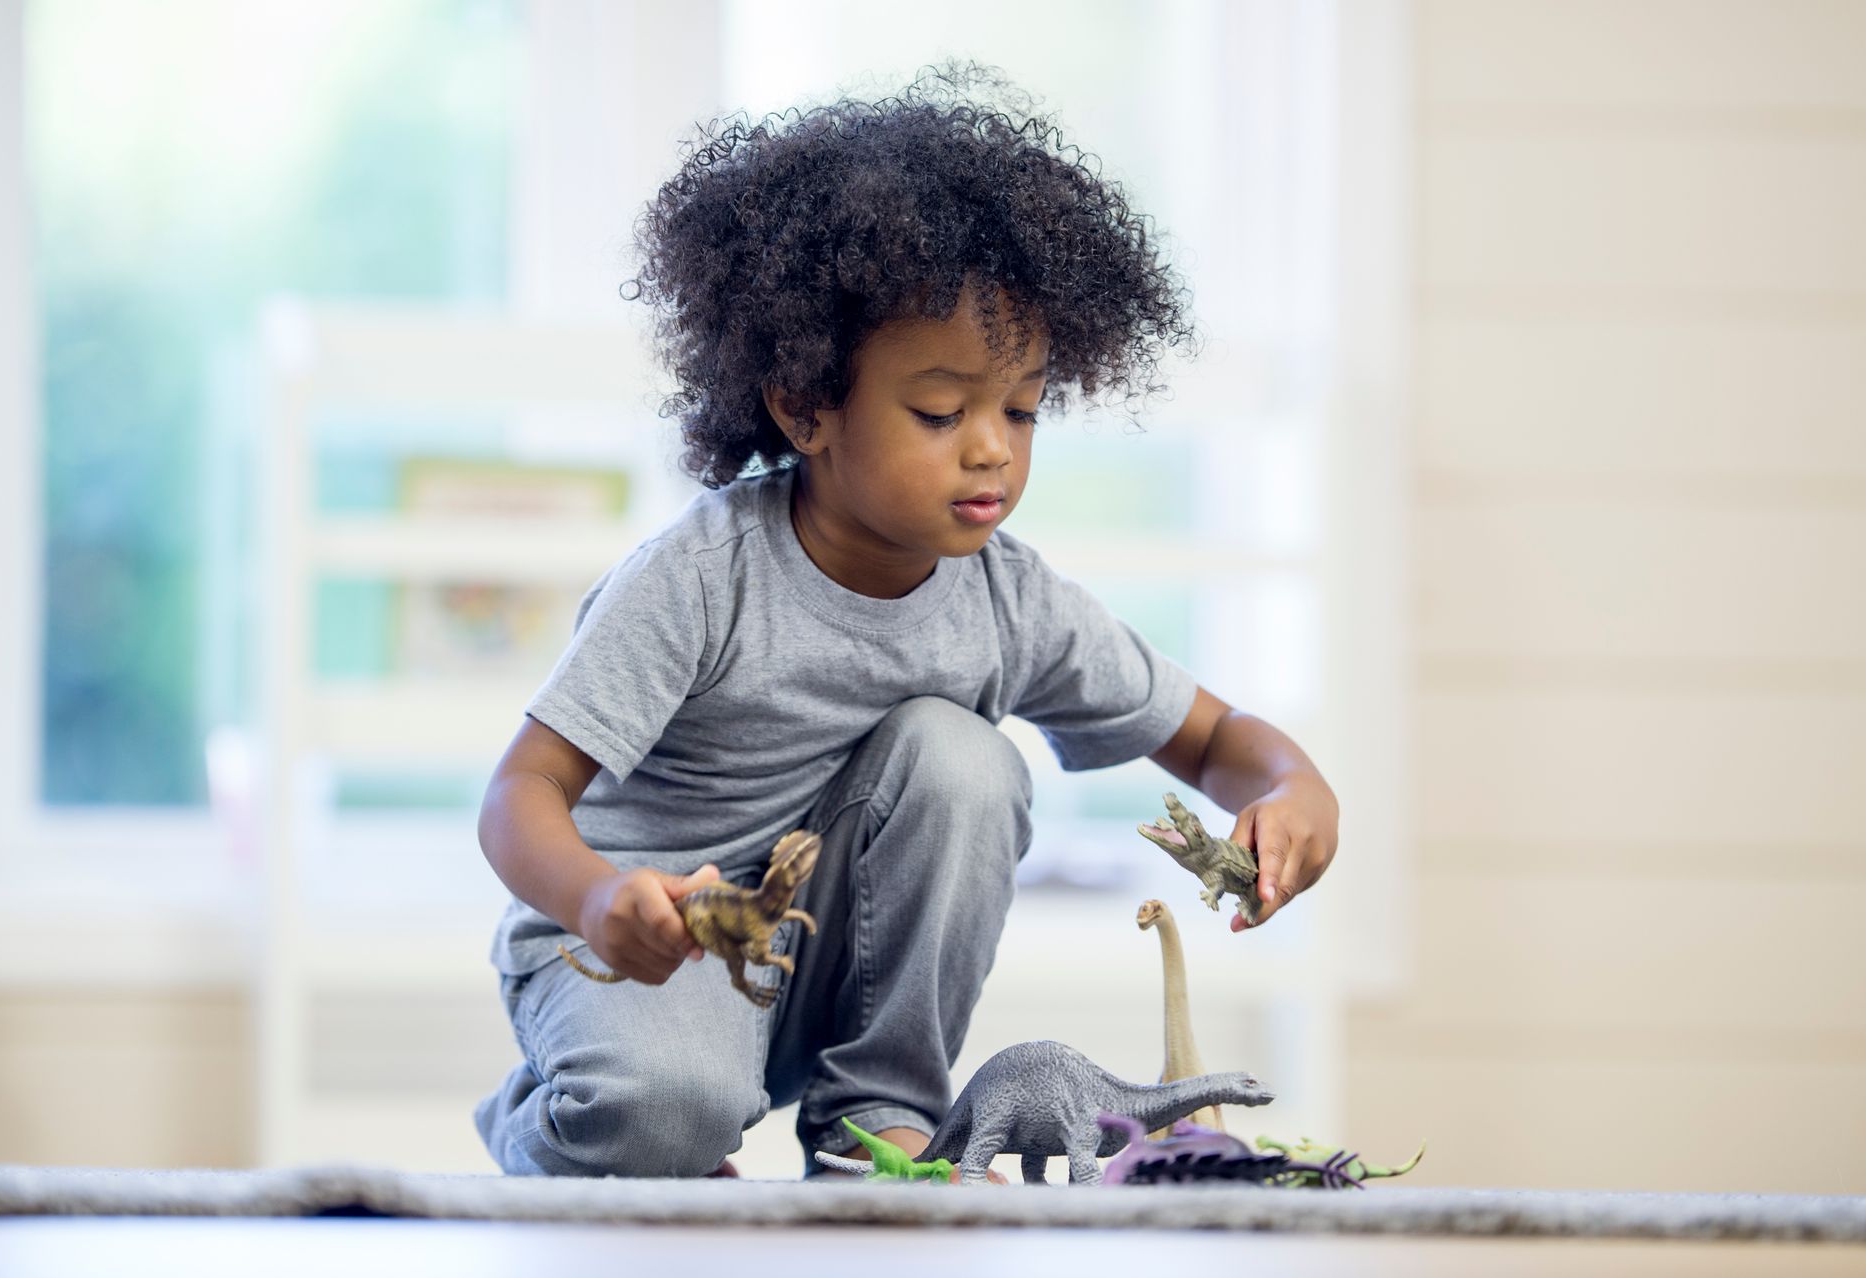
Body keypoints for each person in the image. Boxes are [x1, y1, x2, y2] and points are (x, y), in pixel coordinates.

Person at [471, 61, 1339, 1180]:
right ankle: (568, 1121)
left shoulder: (1007, 601)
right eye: (941, 411)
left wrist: (1293, 790)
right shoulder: (702, 576)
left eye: (1021, 410)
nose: (991, 448)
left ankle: (874, 1116)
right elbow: (517, 795)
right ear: (805, 402)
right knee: (659, 1115)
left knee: (964, 758)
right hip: (646, 960)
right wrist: (596, 901)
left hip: (827, 970)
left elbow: (1219, 741)